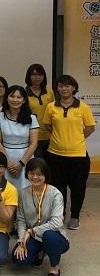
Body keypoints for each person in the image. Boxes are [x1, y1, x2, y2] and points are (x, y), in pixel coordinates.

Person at [42, 75, 95, 230]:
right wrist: (60, 138)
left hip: (78, 156)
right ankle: (59, 215)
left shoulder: (83, 107)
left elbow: (90, 127)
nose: (64, 88)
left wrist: (76, 138)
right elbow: (47, 125)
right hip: (55, 155)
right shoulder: (51, 106)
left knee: (78, 188)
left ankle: (75, 216)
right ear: (57, 88)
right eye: (61, 85)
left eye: (67, 85)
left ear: (73, 88)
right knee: (58, 189)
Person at [12, 158, 69, 276]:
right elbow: (20, 220)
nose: (35, 177)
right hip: (33, 237)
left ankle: (54, 268)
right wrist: (21, 241)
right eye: (32, 173)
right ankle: (40, 251)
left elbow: (56, 223)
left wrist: (32, 230)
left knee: (49, 235)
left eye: (39, 174)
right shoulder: (23, 193)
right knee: (18, 260)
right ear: (27, 174)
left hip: (55, 236)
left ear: (46, 175)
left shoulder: (55, 194)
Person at [0, 85, 39, 191]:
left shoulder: (31, 118)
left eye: (19, 97)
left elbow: (34, 143)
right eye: (12, 96)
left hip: (25, 157)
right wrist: (7, 162)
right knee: (5, 190)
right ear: (7, 98)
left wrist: (21, 163)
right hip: (5, 157)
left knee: (25, 189)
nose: (15, 100)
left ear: (24, 100)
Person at [25, 64, 55, 158]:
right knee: (36, 164)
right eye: (33, 74)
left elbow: (54, 111)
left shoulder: (49, 91)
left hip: (49, 134)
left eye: (40, 74)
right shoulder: (24, 93)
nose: (37, 77)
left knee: (49, 165)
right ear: (29, 76)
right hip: (32, 135)